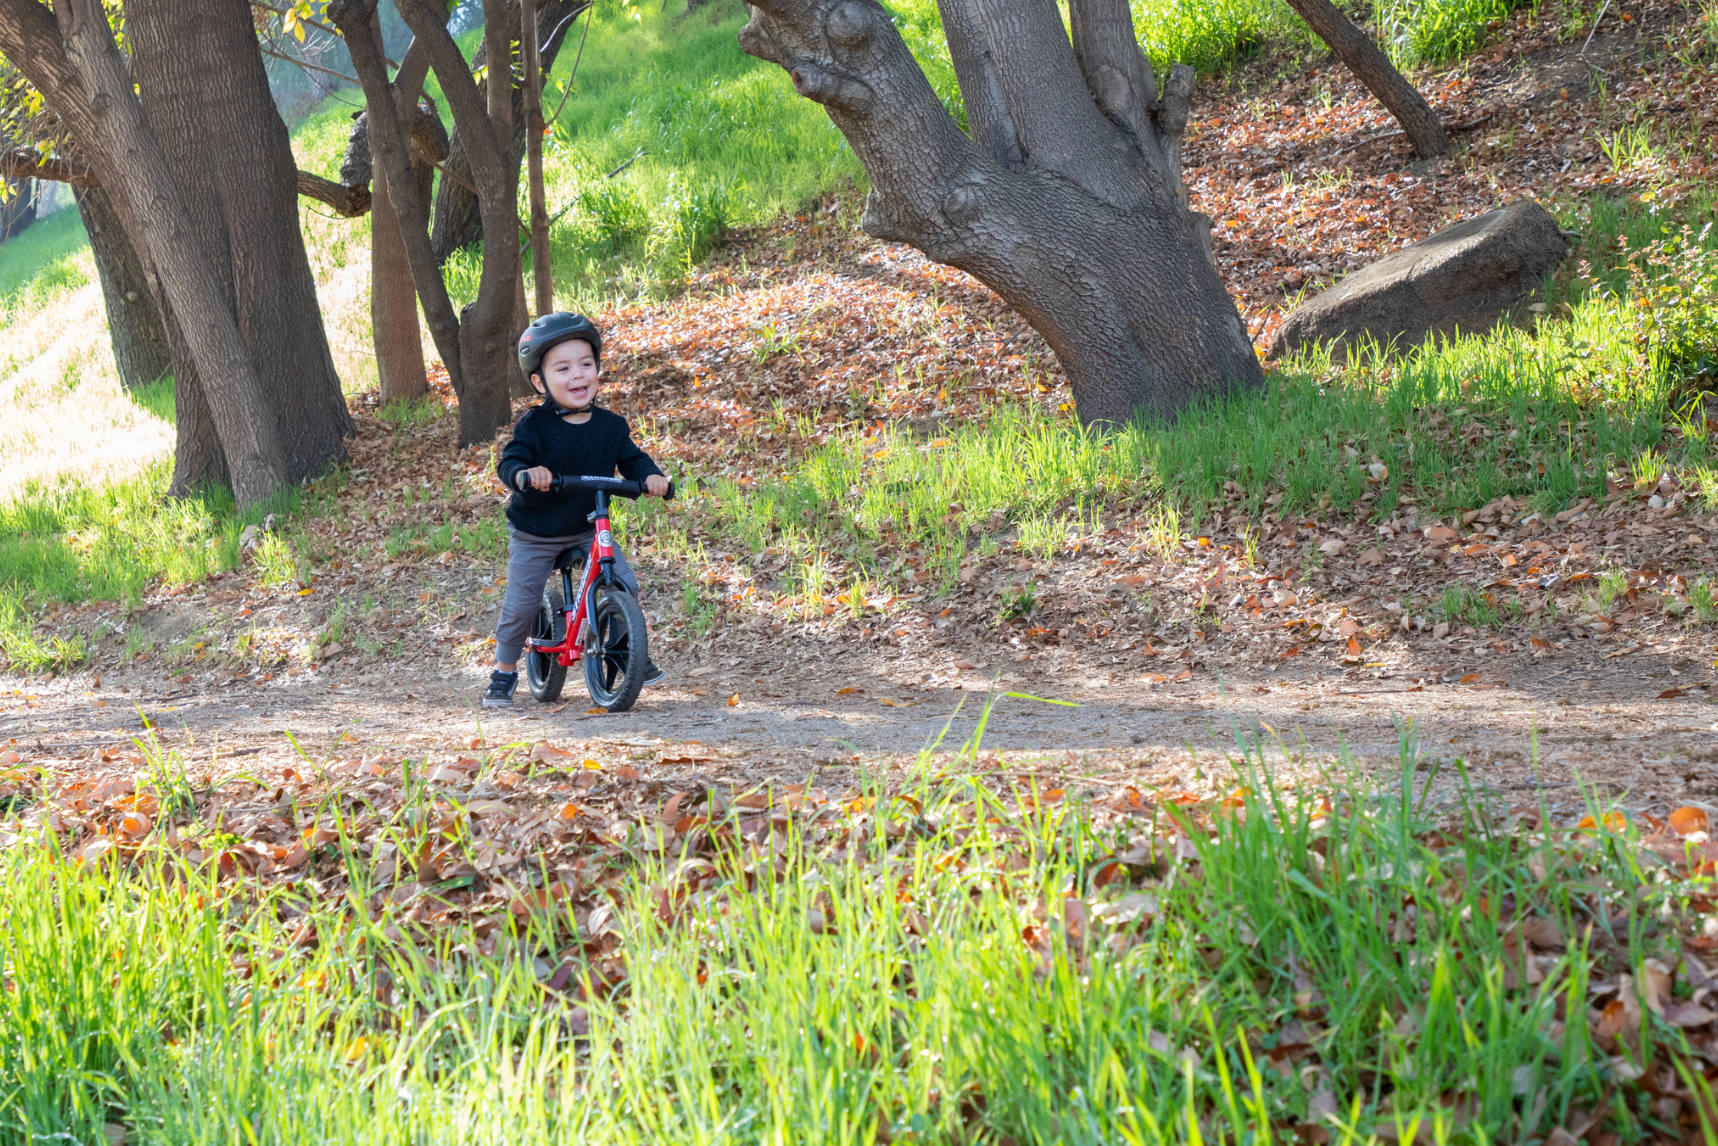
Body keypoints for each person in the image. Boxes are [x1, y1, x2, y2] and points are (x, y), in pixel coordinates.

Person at [483, 312, 670, 708]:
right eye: (563, 368)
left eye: (586, 364)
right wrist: (524, 473)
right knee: (523, 601)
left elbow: (633, 461)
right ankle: (504, 670)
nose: (578, 375)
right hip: (536, 530)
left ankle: (625, 649)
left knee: (624, 583)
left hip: (588, 527)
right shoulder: (534, 425)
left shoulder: (611, 426)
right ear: (540, 381)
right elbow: (511, 460)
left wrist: (652, 477)